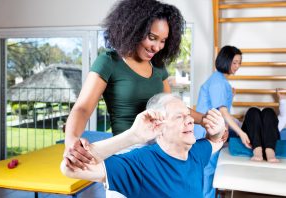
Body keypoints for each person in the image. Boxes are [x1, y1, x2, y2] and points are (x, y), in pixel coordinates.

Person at [64, 0, 222, 171]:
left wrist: (205, 120)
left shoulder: (158, 66)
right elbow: (82, 108)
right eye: (152, 38)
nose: (157, 47)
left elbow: (174, 108)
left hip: (161, 152)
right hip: (127, 155)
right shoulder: (109, 61)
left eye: (163, 41)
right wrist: (71, 140)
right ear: (134, 29)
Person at [61, 93, 226, 198]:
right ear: (158, 127)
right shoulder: (141, 163)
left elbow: (216, 141)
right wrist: (133, 136)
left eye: (188, 115)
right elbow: (70, 169)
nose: (191, 120)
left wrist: (217, 129)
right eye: (179, 117)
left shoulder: (196, 152)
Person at [194, 45, 250, 198]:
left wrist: (231, 95)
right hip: (206, 131)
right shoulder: (218, 82)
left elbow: (221, 109)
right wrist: (241, 132)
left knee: (210, 167)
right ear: (226, 61)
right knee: (208, 169)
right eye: (235, 62)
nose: (237, 66)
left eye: (239, 62)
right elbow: (223, 112)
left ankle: (210, 195)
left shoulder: (221, 81)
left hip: (213, 130)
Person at [240, 88, 286, 163]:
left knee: (268, 111)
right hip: (251, 139)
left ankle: (270, 150)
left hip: (270, 141)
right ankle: (257, 149)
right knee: (253, 111)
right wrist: (229, 99)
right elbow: (229, 120)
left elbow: (284, 117)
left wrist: (282, 99)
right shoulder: (243, 125)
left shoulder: (272, 125)